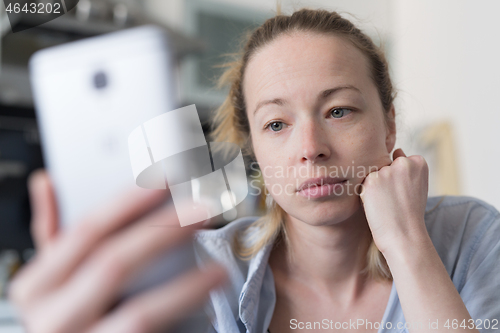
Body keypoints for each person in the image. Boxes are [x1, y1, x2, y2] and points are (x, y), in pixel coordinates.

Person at [10, 7, 500, 333]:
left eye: (339, 111)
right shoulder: (204, 271)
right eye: (277, 123)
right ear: (254, 150)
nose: (310, 149)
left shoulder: (473, 239)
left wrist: (407, 244)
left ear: (389, 127)